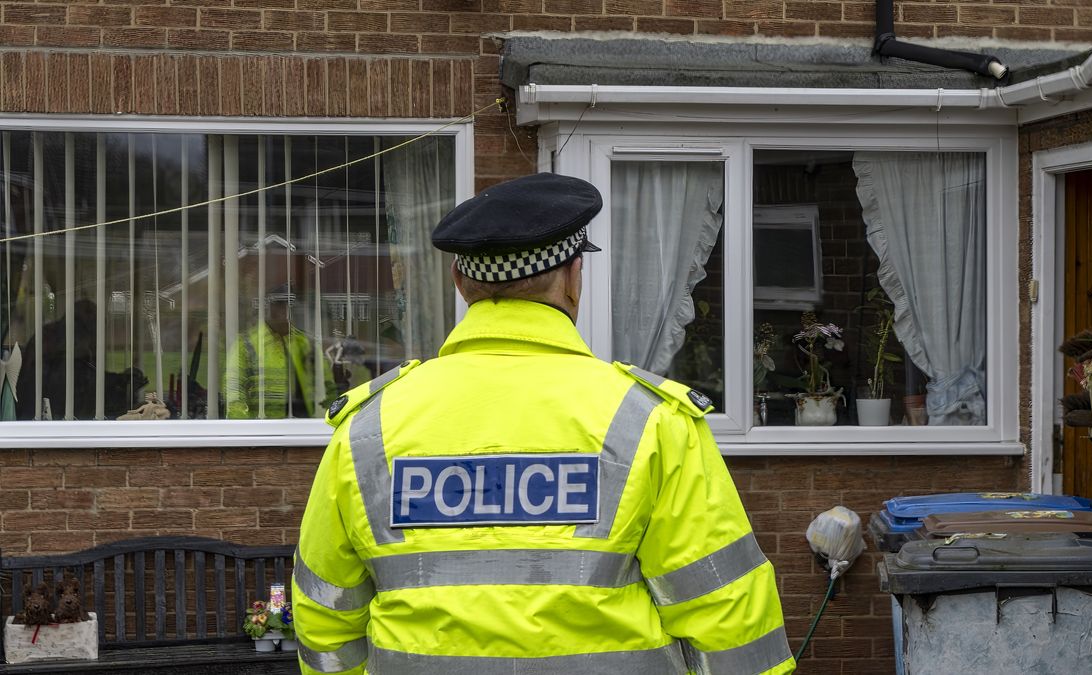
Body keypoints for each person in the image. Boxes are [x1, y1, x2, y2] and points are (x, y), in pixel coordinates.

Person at [292, 173, 794, 674]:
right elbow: (726, 616)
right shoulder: (650, 421)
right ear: (574, 277)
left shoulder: (368, 428)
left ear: (460, 282)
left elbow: (325, 619)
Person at [225, 284, 335, 419]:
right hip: (262, 425)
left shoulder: (306, 343)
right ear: (268, 308)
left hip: (304, 424)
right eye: (278, 304)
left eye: (289, 304)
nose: (284, 310)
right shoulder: (246, 343)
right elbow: (234, 386)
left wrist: (332, 419)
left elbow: (327, 385)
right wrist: (240, 423)